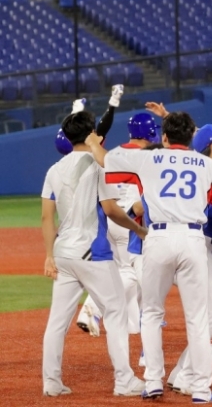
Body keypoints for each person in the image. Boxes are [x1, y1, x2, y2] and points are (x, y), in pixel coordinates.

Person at [94, 112, 212, 403]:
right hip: (192, 239)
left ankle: (153, 382)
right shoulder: (205, 163)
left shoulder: (148, 157)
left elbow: (106, 160)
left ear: (164, 137)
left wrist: (90, 139)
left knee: (151, 313)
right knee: (197, 318)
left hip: (156, 237)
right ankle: (200, 389)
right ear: (190, 138)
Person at [41, 110, 147, 398]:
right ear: (92, 135)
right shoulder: (100, 167)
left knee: (57, 321)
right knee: (115, 311)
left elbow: (46, 218)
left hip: (64, 253)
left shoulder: (54, 170)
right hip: (92, 252)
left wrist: (49, 255)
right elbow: (111, 209)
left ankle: (51, 382)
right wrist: (138, 230)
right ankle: (124, 380)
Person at [77, 110, 160, 339]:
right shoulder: (148, 156)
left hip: (111, 218)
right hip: (131, 221)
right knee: (132, 274)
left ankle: (134, 323)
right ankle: (91, 310)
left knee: (126, 271)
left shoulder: (113, 153)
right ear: (150, 132)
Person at [167, 124, 212, 395]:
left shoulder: (196, 167)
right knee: (211, 316)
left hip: (182, 245)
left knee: (204, 315)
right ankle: (186, 375)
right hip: (198, 247)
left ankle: (178, 372)